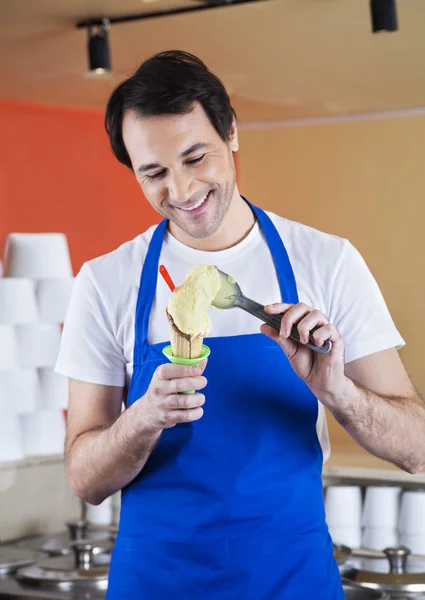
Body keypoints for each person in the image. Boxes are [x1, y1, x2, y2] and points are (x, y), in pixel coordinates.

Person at [56, 50, 425, 599]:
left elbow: (416, 447)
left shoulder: (326, 261)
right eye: (153, 172)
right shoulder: (106, 281)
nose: (180, 191)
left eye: (194, 157)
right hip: (156, 580)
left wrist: (339, 392)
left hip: (290, 576)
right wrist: (144, 418)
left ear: (231, 132)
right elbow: (86, 481)